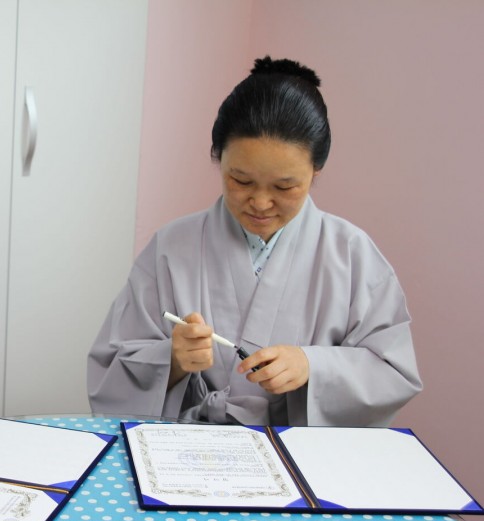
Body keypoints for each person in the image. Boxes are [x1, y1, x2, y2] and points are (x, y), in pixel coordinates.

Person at [87, 57, 422, 426]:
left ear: (316, 170)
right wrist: (172, 360)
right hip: (187, 445)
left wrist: (313, 366)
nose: (260, 203)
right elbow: (110, 370)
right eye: (241, 181)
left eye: (284, 187)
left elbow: (393, 371)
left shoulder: (352, 254)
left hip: (296, 450)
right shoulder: (171, 248)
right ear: (218, 158)